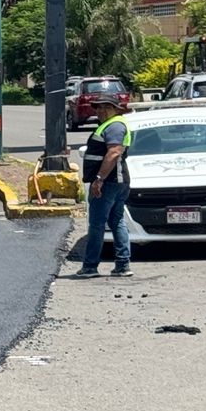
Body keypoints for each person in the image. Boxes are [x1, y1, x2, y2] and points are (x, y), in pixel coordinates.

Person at [74, 96, 134, 278]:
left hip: (109, 183)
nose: (99, 111)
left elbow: (114, 152)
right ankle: (122, 265)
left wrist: (99, 179)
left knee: (97, 224)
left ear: (114, 109)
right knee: (116, 221)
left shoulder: (115, 125)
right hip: (117, 181)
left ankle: (90, 266)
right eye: (97, 108)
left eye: (103, 108)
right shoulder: (112, 124)